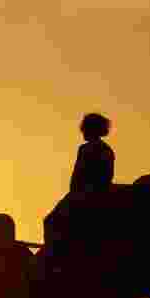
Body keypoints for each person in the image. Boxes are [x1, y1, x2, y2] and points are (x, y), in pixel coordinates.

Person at [43, 113, 115, 268]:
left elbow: (78, 176)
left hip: (85, 194)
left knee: (50, 220)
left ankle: (53, 259)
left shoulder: (86, 148)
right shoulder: (107, 150)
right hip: (101, 193)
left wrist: (75, 194)